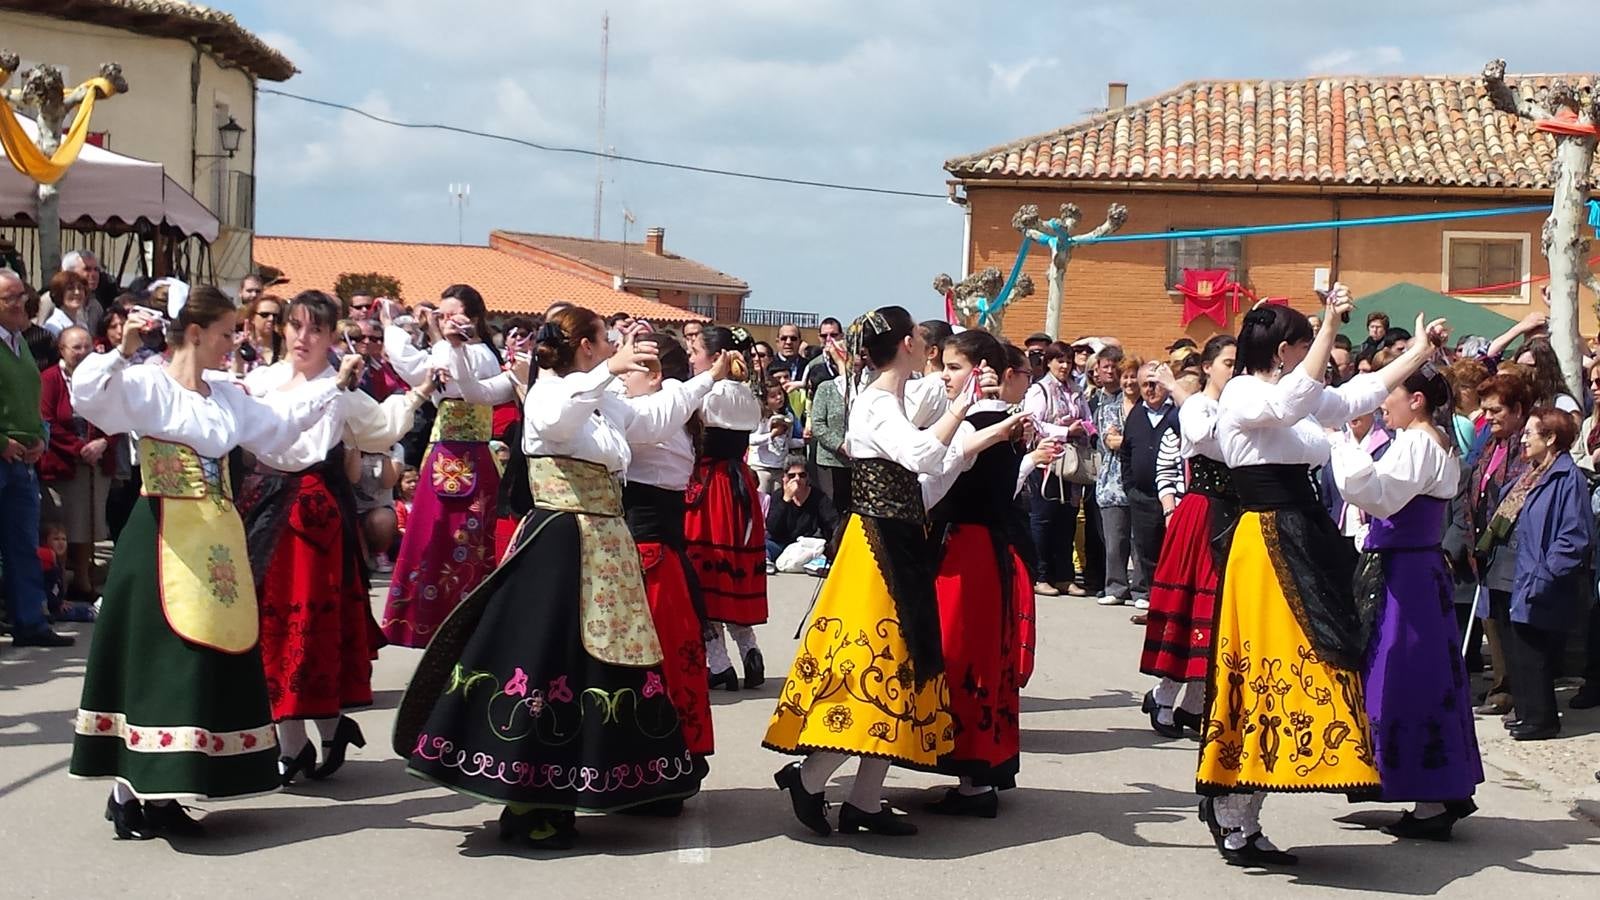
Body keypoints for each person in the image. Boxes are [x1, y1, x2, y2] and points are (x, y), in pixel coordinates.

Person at [395, 307, 706, 849]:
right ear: (586, 346)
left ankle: (617, 780)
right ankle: (529, 798)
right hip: (560, 542)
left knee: (607, 662)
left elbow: (652, 420)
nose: (613, 346)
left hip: (605, 546)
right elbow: (559, 419)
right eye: (605, 340)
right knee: (548, 661)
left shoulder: (602, 398)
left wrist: (706, 380)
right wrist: (610, 370)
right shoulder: (549, 391)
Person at [68, 287, 339, 840]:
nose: (233, 341)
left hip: (216, 538)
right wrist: (121, 350)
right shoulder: (148, 385)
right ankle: (134, 792)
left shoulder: (226, 396)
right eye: (224, 332)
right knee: (161, 659)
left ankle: (166, 788)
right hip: (161, 535)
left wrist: (336, 385)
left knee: (206, 655)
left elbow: (280, 424)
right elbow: (88, 397)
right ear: (195, 333)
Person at [1196, 290, 1441, 866]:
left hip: (1302, 534)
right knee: (1270, 666)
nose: (1319, 356)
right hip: (1267, 538)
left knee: (1315, 659)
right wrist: (1330, 322)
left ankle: (1242, 814)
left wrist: (1418, 353)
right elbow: (1290, 404)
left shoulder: (1292, 393)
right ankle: (1233, 813)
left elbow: (1356, 394)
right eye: (1308, 345)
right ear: (1286, 349)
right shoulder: (1245, 392)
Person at [764, 306, 976, 839]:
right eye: (921, 339)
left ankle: (863, 799)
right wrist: (961, 409)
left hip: (901, 541)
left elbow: (932, 410)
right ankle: (811, 777)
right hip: (877, 547)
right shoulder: (877, 404)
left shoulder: (896, 395)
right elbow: (922, 453)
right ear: (907, 343)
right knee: (870, 664)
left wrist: (966, 389)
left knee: (901, 666)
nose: (928, 347)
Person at [239, 291, 431, 784]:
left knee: (305, 624)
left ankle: (309, 735)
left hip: (312, 516)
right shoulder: (260, 381)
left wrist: (417, 393)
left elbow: (381, 428)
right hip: (260, 507)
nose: (303, 337)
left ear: (330, 337)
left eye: (316, 329)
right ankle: (304, 736)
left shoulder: (340, 387)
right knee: (265, 623)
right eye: (296, 326)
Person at [1330, 364, 1484, 839]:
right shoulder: (1433, 441)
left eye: (1391, 393)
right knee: (1424, 676)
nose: (1383, 403)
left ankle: (1430, 796)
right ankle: (1436, 791)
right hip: (1415, 571)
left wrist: (1339, 441)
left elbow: (1376, 496)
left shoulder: (1418, 443)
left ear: (1416, 400)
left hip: (1407, 578)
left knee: (1405, 679)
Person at [920, 332, 1053, 817]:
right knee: (977, 656)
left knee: (957, 655)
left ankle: (973, 777)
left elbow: (930, 477)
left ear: (980, 371)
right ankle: (978, 774)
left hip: (966, 554)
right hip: (983, 548)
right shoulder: (997, 419)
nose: (944, 376)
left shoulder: (977, 421)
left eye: (954, 367)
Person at [616, 330, 726, 775]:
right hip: (652, 556)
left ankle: (658, 763)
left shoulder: (656, 420)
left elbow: (639, 419)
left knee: (651, 659)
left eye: (630, 368)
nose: (621, 377)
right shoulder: (665, 414)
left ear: (656, 375)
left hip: (650, 560)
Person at [377, 285, 504, 648]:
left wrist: (398, 329)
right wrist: (396, 329)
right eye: (441, 315)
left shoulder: (477, 354)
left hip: (462, 456)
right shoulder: (453, 350)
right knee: (437, 534)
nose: (446, 321)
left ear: (473, 317)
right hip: (448, 453)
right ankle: (428, 620)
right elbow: (418, 366)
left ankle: (450, 621)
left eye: (453, 315)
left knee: (458, 536)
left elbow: (424, 367)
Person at [1139, 335, 1236, 739]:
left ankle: (1194, 704)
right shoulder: (1198, 409)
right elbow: (1211, 443)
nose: (1235, 370)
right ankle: (1163, 696)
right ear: (1208, 366)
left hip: (1232, 516)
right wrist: (1178, 390)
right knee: (1190, 604)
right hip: (1201, 514)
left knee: (1216, 614)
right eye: (1228, 363)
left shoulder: (1239, 407)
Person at [1492, 408, 1593, 740]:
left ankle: (1542, 719)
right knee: (1519, 649)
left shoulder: (1567, 478)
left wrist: (1547, 573)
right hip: (1521, 572)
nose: (1523, 439)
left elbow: (1574, 535)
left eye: (1530, 433)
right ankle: (1527, 713)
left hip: (1541, 578)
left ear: (1550, 438)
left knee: (1534, 651)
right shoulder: (1533, 473)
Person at [686, 326, 769, 691]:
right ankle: (749, 649)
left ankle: (719, 663)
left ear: (715, 357)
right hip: (739, 488)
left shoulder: (707, 392)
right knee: (730, 573)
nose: (691, 358)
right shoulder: (746, 394)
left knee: (704, 575)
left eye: (696, 351)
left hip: (709, 487)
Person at [0, 269, 73, 648]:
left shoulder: (21, 344)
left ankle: (30, 623)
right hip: (3, 457)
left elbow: (32, 402)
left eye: (22, 296)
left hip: (24, 462)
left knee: (23, 547)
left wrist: (41, 437)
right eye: (10, 298)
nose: (20, 304)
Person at [1467, 374, 1535, 717]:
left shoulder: (1527, 447)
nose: (1488, 417)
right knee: (1491, 618)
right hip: (1486, 546)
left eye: (1496, 410)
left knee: (1512, 625)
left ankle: (1520, 694)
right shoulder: (1490, 444)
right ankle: (1502, 684)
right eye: (1485, 410)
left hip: (1512, 547)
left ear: (1518, 410)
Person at [38, 325, 115, 602]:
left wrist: (104, 442)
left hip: (97, 460)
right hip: (64, 463)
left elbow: (117, 413)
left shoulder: (102, 378)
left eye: (87, 346)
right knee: (63, 525)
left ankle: (84, 580)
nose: (82, 352)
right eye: (76, 347)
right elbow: (47, 420)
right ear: (62, 350)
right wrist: (79, 448)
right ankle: (58, 583)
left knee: (88, 525)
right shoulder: (50, 379)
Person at [1022, 341, 1094, 598]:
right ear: (1049, 362)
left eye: (1068, 361)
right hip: (1047, 462)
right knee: (1043, 518)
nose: (1064, 366)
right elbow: (1033, 421)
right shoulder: (1039, 389)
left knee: (1067, 519)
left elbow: (1088, 418)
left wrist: (1084, 428)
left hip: (1072, 464)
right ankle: (1040, 575)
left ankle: (1064, 576)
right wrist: (1064, 430)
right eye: (1059, 360)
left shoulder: (1076, 390)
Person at [1119, 362, 1178, 612]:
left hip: (1173, 498)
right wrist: (1130, 488)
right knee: (1147, 552)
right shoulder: (1136, 414)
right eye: (1145, 385)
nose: (1150, 390)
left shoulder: (1177, 412)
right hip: (1142, 497)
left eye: (1155, 384)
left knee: (1173, 552)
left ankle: (1172, 603)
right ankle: (1156, 601)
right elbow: (1125, 453)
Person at [1094, 356, 1142, 606]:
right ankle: (1115, 587)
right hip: (1113, 483)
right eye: (1125, 376)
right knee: (1115, 540)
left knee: (1140, 540)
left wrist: (1124, 440)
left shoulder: (1148, 408)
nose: (1129, 381)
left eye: (1134, 376)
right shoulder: (1108, 409)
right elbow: (1109, 442)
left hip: (1141, 481)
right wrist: (1136, 442)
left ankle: (1141, 590)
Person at [809, 340, 855, 511]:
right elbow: (818, 424)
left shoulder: (866, 388)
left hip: (856, 462)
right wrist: (839, 445)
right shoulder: (826, 388)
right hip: (830, 461)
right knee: (831, 507)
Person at [766, 453, 839, 563]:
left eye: (802, 475)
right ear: (785, 478)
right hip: (781, 544)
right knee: (766, 546)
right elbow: (772, 528)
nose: (797, 479)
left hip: (807, 546)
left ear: (807, 477)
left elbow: (833, 522)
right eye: (792, 476)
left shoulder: (818, 497)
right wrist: (786, 500)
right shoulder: (778, 496)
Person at [750, 375, 802, 496]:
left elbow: (786, 442)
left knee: (777, 500)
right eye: (773, 396)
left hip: (779, 467)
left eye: (780, 393)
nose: (779, 397)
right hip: (761, 467)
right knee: (761, 499)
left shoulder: (788, 416)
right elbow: (752, 440)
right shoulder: (761, 417)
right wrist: (772, 434)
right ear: (765, 400)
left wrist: (803, 441)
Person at [232, 294, 284, 375]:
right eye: (264, 315)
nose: (271, 319)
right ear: (252, 318)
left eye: (276, 316)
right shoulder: (237, 342)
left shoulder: (285, 345)